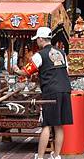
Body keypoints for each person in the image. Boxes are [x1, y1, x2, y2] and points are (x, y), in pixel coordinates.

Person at [14, 27, 72, 159]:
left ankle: (40, 156)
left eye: (37, 40)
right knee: (59, 125)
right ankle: (56, 155)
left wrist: (16, 70)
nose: (37, 42)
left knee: (47, 124)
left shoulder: (40, 54)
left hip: (51, 91)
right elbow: (66, 72)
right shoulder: (62, 53)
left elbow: (26, 71)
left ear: (40, 39)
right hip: (65, 89)